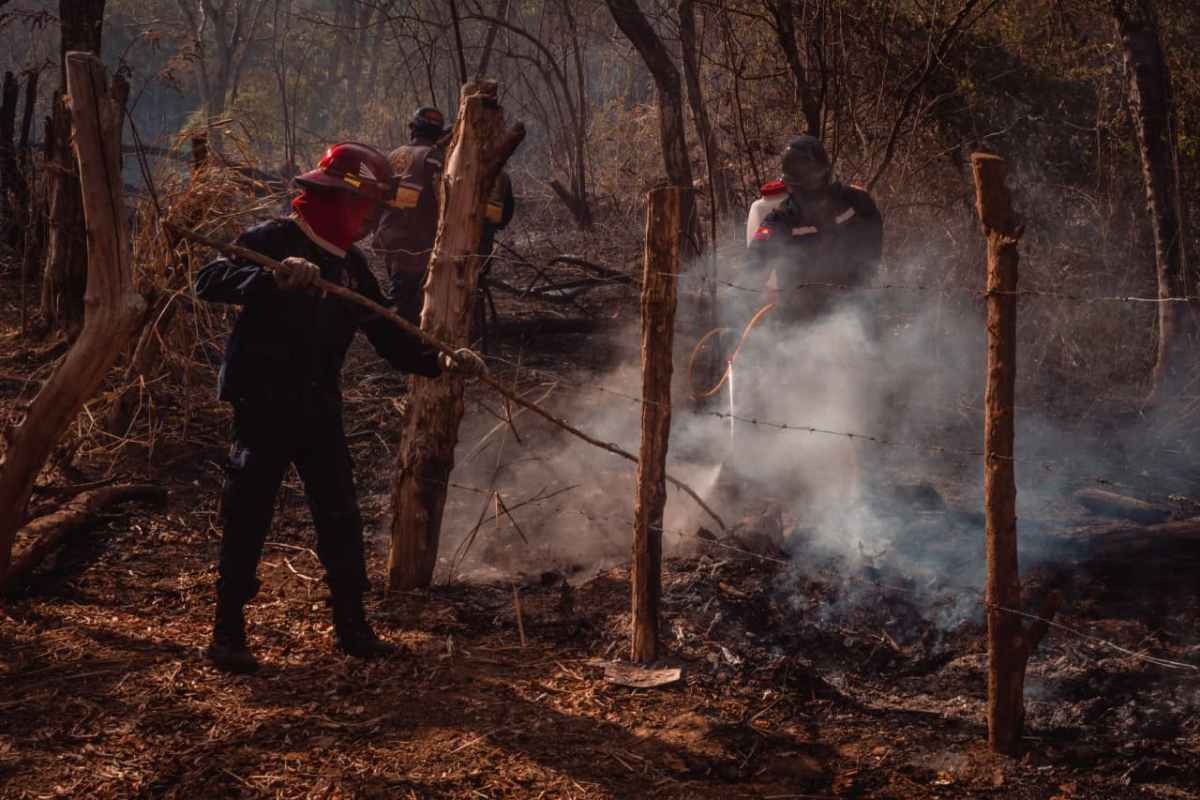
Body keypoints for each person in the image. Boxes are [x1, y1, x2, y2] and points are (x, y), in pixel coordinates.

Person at [195, 141, 480, 674]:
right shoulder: (272, 239)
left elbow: (387, 336)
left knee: (340, 516)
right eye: (368, 209)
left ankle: (352, 628)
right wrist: (270, 278)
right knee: (249, 511)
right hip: (263, 403)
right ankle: (228, 633)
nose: (373, 222)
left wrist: (442, 362)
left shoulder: (351, 267)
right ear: (338, 199)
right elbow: (208, 280)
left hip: (318, 405)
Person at [744, 135, 883, 326]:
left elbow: (873, 239)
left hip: (852, 308)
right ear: (790, 186)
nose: (812, 197)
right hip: (797, 319)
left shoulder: (856, 201)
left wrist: (861, 275)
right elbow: (753, 266)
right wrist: (758, 293)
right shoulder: (779, 220)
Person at [374, 106, 448, 322]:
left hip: (390, 238)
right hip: (420, 242)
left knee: (403, 297)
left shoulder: (393, 156)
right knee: (415, 304)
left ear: (412, 129)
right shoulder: (437, 158)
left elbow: (379, 198)